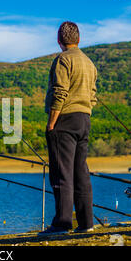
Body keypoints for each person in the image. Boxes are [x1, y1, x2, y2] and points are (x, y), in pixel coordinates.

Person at [40, 21, 97, 235]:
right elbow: (92, 96)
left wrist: (51, 123)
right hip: (84, 120)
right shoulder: (89, 63)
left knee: (62, 173)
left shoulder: (62, 60)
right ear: (79, 39)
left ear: (59, 40)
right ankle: (86, 223)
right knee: (80, 172)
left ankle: (62, 223)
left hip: (64, 120)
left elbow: (60, 92)